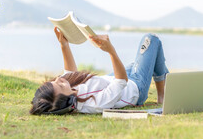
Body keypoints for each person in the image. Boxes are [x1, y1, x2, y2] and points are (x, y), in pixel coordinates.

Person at [30, 27, 169, 115]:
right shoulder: (95, 104)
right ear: (66, 102)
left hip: (111, 78)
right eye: (60, 85)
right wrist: (111, 51)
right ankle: (163, 96)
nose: (59, 79)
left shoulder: (69, 91)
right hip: (134, 87)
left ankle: (165, 92)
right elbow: (121, 81)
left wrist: (64, 45)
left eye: (54, 81)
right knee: (151, 40)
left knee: (147, 58)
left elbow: (70, 73)